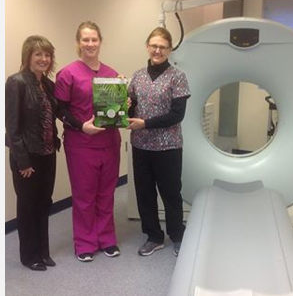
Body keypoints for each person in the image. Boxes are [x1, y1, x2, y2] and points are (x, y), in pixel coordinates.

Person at [54, 21, 121, 262]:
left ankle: (107, 239)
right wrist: (82, 126)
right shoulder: (68, 73)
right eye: (85, 39)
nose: (90, 44)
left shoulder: (112, 75)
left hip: (110, 143)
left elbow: (116, 110)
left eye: (94, 39)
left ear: (100, 42)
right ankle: (84, 243)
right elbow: (59, 109)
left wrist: (125, 104)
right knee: (84, 197)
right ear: (78, 43)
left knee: (106, 194)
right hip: (81, 145)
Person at [128, 27, 191, 257]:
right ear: (147, 46)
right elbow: (131, 106)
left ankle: (177, 234)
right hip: (141, 146)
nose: (157, 50)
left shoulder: (177, 77)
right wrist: (117, 104)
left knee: (171, 193)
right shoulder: (137, 76)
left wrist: (145, 123)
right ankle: (154, 236)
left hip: (168, 146)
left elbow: (177, 115)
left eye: (162, 46)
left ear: (169, 49)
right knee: (144, 193)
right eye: (154, 45)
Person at [5, 35, 61, 271]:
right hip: (26, 157)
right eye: (38, 54)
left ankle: (43, 251)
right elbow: (12, 128)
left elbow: (54, 116)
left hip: (48, 154)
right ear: (28, 56)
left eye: (47, 54)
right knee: (28, 205)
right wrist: (22, 161)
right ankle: (29, 256)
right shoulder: (16, 82)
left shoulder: (48, 84)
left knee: (44, 202)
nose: (43, 59)